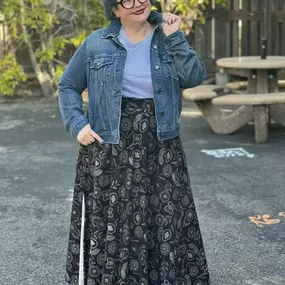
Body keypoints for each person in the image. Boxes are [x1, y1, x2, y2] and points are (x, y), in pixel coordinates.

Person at [58, 0, 210, 284]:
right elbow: (68, 84)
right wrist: (77, 124)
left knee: (161, 214)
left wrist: (176, 37)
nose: (138, 3)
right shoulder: (96, 43)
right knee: (118, 216)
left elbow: (194, 76)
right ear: (114, 9)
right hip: (110, 145)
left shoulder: (167, 37)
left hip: (160, 144)